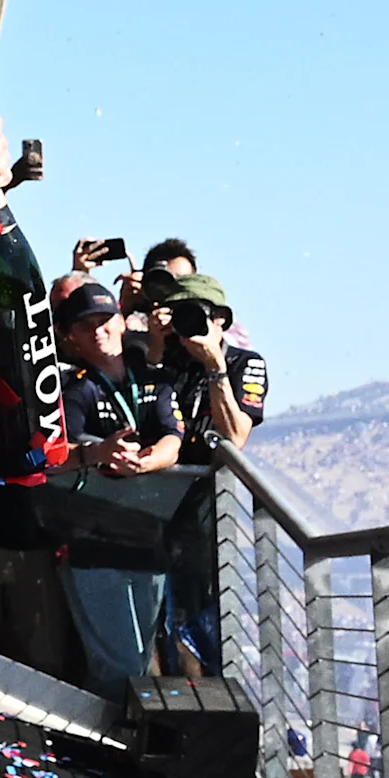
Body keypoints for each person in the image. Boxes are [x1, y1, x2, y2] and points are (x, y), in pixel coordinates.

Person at [133, 264, 268, 676]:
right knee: (154, 621)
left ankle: (202, 695)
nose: (186, 326)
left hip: (207, 515)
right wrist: (156, 347)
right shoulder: (167, 364)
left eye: (195, 314)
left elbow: (234, 437)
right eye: (178, 315)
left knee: (200, 617)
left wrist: (214, 366)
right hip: (154, 509)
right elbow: (143, 414)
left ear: (220, 320)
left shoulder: (246, 363)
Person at [56, 280, 179, 700]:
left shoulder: (152, 378)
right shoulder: (75, 389)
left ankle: (114, 755)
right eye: (86, 325)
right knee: (117, 667)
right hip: (94, 545)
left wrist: (145, 463)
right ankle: (101, 757)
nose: (98, 331)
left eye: (106, 320)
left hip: (148, 539)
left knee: (140, 662)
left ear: (124, 322)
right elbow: (54, 456)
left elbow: (172, 438)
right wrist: (98, 452)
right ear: (72, 336)